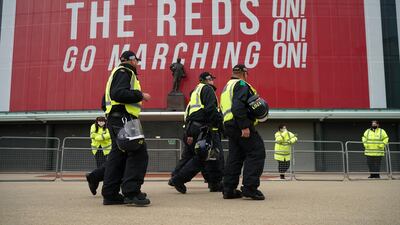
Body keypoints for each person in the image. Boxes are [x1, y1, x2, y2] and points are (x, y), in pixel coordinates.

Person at [100, 50, 151, 206]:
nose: (137, 63)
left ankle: (110, 194)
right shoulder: (125, 71)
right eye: (136, 60)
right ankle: (132, 192)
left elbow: (104, 102)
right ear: (131, 60)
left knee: (117, 157)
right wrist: (140, 95)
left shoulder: (114, 74)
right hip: (125, 118)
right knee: (138, 152)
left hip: (114, 118)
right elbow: (118, 94)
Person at [169, 72, 224, 193]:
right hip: (204, 128)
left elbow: (191, 114)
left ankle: (214, 183)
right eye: (211, 79)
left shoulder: (196, 91)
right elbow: (211, 109)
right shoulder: (207, 89)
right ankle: (179, 179)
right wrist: (220, 123)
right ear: (207, 80)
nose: (212, 81)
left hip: (194, 127)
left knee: (210, 157)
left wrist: (188, 132)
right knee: (202, 157)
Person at [220, 64, 267, 200]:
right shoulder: (241, 84)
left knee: (235, 156)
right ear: (244, 73)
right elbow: (238, 106)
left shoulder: (227, 86)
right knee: (256, 152)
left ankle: (228, 189)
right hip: (239, 124)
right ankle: (250, 188)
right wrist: (244, 126)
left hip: (230, 125)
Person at [85, 116, 111, 195]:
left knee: (107, 168)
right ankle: (93, 182)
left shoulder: (108, 126)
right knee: (101, 168)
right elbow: (92, 136)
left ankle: (93, 179)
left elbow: (109, 135)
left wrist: (99, 137)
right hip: (97, 150)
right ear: (97, 121)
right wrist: (103, 136)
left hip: (107, 150)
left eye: (102, 121)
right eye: (99, 121)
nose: (101, 122)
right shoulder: (93, 126)